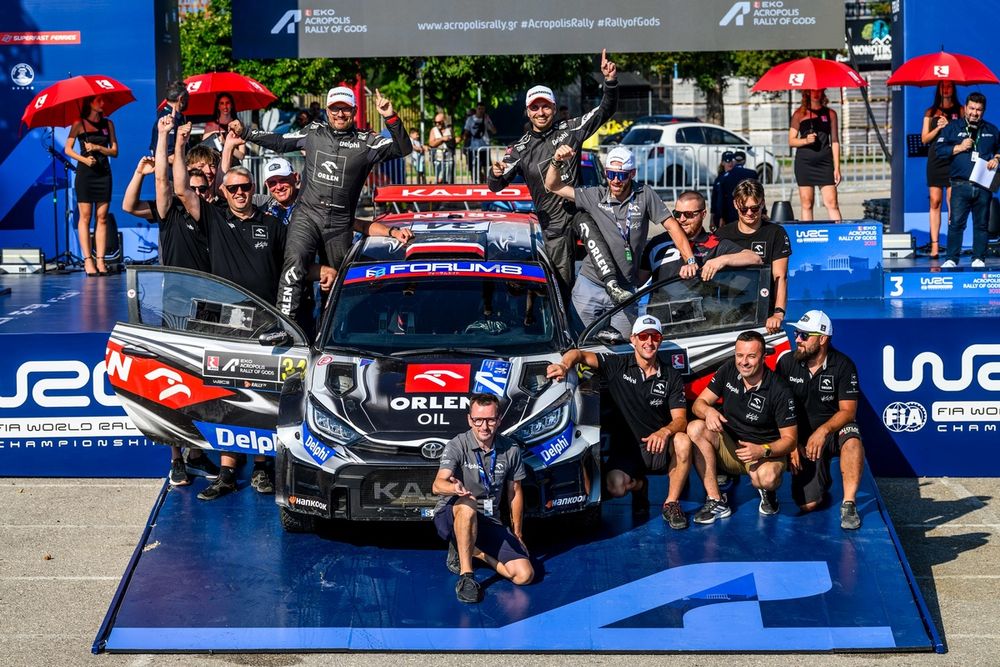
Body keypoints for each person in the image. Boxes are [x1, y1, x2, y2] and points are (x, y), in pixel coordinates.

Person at [228, 86, 413, 324]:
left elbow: (403, 148)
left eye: (345, 109)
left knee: (337, 283)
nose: (339, 114)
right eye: (335, 109)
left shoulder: (367, 142)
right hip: (307, 215)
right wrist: (246, 133)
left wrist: (390, 116)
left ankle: (332, 333)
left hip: (339, 224)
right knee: (294, 264)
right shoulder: (313, 132)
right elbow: (281, 142)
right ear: (327, 110)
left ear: (354, 111)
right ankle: (284, 327)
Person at [173, 123, 288, 500]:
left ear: (254, 190)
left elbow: (294, 264)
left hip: (266, 323)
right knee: (226, 395)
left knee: (263, 397)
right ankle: (226, 472)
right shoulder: (215, 219)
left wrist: (327, 272)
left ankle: (262, 468)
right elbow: (181, 188)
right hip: (223, 321)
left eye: (246, 188)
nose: (240, 193)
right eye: (233, 189)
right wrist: (176, 140)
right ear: (223, 192)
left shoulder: (272, 224)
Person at [121, 115, 219, 487]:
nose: (196, 187)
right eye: (192, 180)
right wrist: (165, 138)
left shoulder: (211, 212)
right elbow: (155, 187)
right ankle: (177, 457)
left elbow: (216, 178)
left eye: (203, 181)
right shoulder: (167, 212)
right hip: (172, 306)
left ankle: (197, 452)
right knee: (171, 383)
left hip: (210, 306)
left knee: (203, 385)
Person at [489, 49, 621, 298]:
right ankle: (568, 330)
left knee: (609, 250)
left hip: (580, 210)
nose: (541, 112)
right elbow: (495, 186)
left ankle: (612, 288)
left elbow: (605, 110)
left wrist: (610, 82)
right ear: (527, 112)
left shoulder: (571, 128)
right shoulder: (520, 149)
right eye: (535, 107)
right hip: (552, 225)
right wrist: (495, 173)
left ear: (553, 107)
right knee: (561, 284)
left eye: (546, 106)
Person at [546, 315, 691, 528]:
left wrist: (664, 432)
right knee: (615, 487)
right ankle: (640, 486)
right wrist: (564, 365)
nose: (648, 342)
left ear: (660, 340)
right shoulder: (617, 364)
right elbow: (578, 354)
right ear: (633, 339)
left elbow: (680, 420)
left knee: (683, 441)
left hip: (659, 446)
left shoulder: (671, 375)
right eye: (643, 336)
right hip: (628, 449)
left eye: (654, 337)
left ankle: (671, 504)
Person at [544, 145, 696, 336]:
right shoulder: (595, 194)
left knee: (622, 348)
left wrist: (690, 259)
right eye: (610, 174)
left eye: (622, 175)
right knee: (582, 344)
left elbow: (672, 226)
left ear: (632, 173)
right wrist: (556, 160)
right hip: (590, 283)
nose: (615, 180)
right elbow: (553, 185)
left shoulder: (644, 195)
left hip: (626, 288)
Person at [431, 393, 533, 604]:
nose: (484, 426)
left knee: (524, 575)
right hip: (454, 513)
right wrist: (454, 489)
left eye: (490, 420)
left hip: (489, 519)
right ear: (470, 419)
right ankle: (467, 577)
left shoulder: (511, 449)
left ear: (499, 420)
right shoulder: (457, 444)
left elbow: (514, 492)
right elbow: (437, 485)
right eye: (478, 420)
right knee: (468, 506)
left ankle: (475, 552)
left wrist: (518, 533)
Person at [687, 330, 798, 524]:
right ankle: (716, 500)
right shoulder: (729, 369)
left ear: (764, 357)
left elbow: (790, 441)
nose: (743, 362)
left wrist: (762, 450)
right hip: (731, 448)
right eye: (740, 355)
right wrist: (709, 412)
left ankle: (767, 492)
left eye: (751, 356)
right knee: (695, 428)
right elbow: (699, 404)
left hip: (764, 453)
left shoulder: (780, 390)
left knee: (768, 478)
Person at [776, 310, 864, 530]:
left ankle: (849, 503)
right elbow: (776, 409)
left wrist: (823, 431)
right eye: (797, 333)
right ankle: (821, 478)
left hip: (831, 432)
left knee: (852, 438)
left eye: (804, 336)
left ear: (823, 339)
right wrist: (791, 442)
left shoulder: (843, 365)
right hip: (800, 436)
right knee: (808, 505)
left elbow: (848, 411)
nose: (797, 339)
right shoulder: (787, 362)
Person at [715, 179, 790, 334]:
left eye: (754, 208)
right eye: (744, 209)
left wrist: (778, 313)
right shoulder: (722, 234)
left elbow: (780, 276)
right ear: (736, 204)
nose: (749, 213)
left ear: (762, 204)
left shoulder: (775, 232)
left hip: (762, 313)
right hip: (727, 312)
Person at [936, 92, 1000, 269]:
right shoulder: (952, 128)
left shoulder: (992, 130)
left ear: (983, 111)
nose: (974, 113)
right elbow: (939, 151)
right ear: (965, 108)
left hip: (983, 185)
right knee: (956, 223)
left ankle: (979, 258)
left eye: (978, 110)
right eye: (971, 108)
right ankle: (951, 258)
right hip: (960, 184)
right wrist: (959, 147)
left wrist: (997, 158)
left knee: (981, 225)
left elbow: (999, 148)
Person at [642, 190, 763, 284]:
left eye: (688, 214)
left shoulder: (714, 244)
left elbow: (755, 258)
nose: (682, 220)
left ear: (703, 214)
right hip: (659, 314)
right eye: (677, 214)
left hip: (700, 314)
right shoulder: (657, 243)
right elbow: (639, 279)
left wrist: (721, 260)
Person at [64, 95, 118, 277]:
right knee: (85, 217)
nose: (103, 102)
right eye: (99, 100)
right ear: (90, 103)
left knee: (102, 217)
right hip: (85, 174)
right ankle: (88, 260)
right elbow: (68, 149)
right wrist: (84, 159)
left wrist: (98, 148)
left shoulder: (108, 124)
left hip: (104, 173)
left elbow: (115, 151)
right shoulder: (79, 123)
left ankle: (101, 260)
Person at [922, 81, 963, 259]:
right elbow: (925, 139)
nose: (946, 90)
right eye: (942, 86)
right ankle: (935, 246)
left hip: (953, 159)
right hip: (935, 160)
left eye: (949, 86)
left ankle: (954, 245)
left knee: (953, 202)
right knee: (935, 202)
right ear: (938, 89)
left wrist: (949, 127)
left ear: (953, 89)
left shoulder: (960, 111)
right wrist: (938, 126)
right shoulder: (930, 112)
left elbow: (963, 135)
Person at [790, 89, 842, 221]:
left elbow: (835, 141)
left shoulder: (830, 114)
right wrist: (805, 140)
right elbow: (791, 140)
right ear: (807, 93)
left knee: (832, 203)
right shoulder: (798, 114)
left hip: (825, 163)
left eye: (819, 90)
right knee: (807, 203)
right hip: (804, 163)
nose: (816, 93)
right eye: (813, 91)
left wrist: (837, 168)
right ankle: (808, 238)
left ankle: (839, 237)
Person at [711, 150, 759, 229]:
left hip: (734, 214)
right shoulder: (720, 178)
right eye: (727, 161)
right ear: (723, 163)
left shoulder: (729, 176)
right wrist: (715, 219)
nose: (730, 163)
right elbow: (716, 200)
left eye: (731, 160)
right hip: (727, 216)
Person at [200, 93, 245, 161]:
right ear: (218, 106)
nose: (225, 106)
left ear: (232, 105)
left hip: (233, 167)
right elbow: (203, 150)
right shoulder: (210, 126)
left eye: (227, 103)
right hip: (217, 166)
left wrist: (226, 144)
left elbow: (241, 156)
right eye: (222, 103)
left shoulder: (238, 126)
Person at [148, 80, 188, 155]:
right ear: (181, 99)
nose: (188, 101)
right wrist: (191, 162)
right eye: (187, 98)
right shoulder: (168, 119)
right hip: (170, 166)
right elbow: (168, 155)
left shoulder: (178, 117)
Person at [462, 102, 496, 183]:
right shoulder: (470, 119)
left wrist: (488, 122)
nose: (481, 111)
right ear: (476, 109)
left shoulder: (486, 118)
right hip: (472, 148)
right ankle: (474, 183)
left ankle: (485, 183)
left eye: (482, 109)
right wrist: (464, 145)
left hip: (484, 147)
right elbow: (466, 133)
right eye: (479, 109)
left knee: (485, 167)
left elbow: (494, 131)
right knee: (473, 168)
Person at [428, 112, 456, 184]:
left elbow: (454, 142)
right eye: (435, 122)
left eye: (439, 122)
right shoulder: (433, 130)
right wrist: (441, 139)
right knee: (439, 179)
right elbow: (431, 143)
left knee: (448, 179)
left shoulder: (449, 130)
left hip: (448, 158)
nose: (437, 124)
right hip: (438, 159)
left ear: (443, 121)